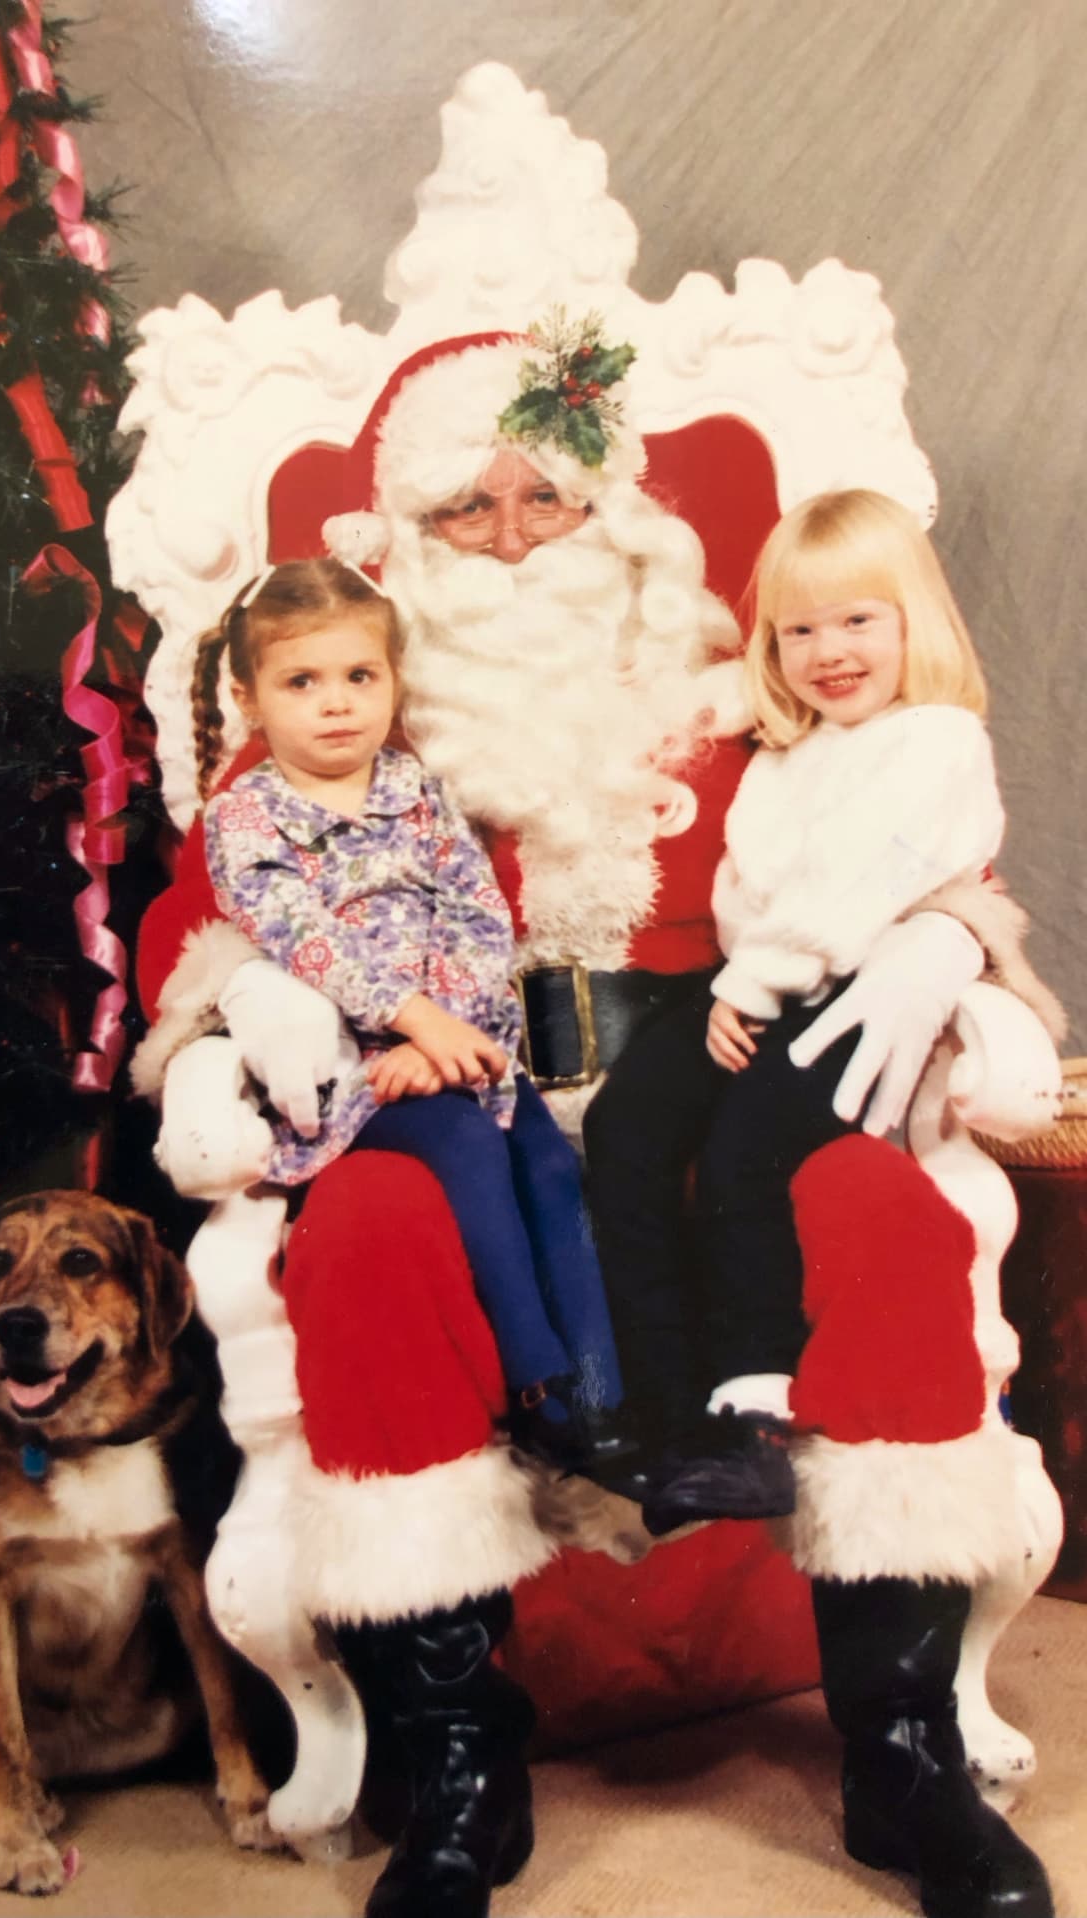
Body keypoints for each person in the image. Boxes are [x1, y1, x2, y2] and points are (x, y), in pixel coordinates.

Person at [136, 324, 1058, 1918]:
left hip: (736, 1086)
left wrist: (946, 938)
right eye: (463, 511)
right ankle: (457, 1753)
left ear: (613, 518)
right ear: (399, 550)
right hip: (435, 1097)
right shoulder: (347, 729)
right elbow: (205, 902)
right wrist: (262, 993)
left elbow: (909, 827)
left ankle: (902, 1751)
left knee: (902, 1224)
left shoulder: (739, 695)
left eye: (543, 502)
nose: (506, 540)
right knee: (359, 1233)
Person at [581, 487, 1063, 1538]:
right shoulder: (787, 759)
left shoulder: (936, 738)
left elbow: (857, 885)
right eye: (799, 630)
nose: (829, 651)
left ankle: (755, 1417)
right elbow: (744, 893)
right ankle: (664, 1406)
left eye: (858, 621)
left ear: (913, 624)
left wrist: (750, 986)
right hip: (760, 979)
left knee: (752, 1148)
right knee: (632, 1124)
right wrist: (743, 978)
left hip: (844, 988)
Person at [193, 554, 625, 1471]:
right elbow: (303, 938)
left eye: (360, 677)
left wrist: (449, 1035)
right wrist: (414, 1024)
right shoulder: (245, 819)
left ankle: (603, 1398)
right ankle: (538, 1388)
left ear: (394, 682)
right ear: (249, 696)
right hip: (359, 1072)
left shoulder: (416, 794)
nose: (337, 703)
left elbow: (476, 914)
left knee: (547, 1162)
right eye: (302, 682)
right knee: (468, 1151)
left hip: (461, 1050)